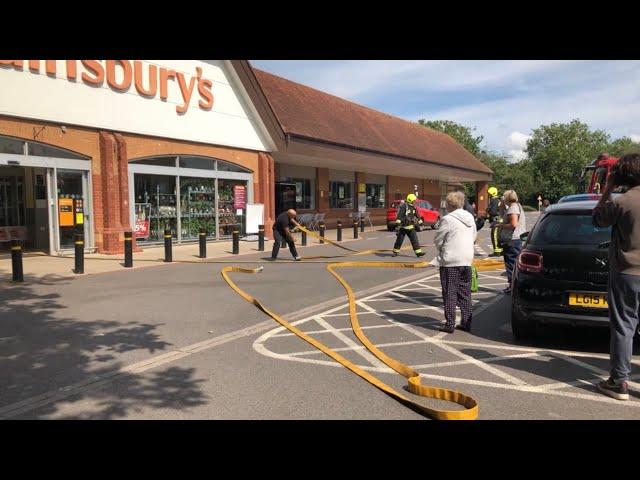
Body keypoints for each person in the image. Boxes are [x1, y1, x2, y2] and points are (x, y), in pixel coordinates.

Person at [592, 152, 640, 401]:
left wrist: (608, 188)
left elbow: (597, 219)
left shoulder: (622, 202)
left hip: (628, 272)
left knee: (624, 326)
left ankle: (619, 381)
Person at [432, 191, 477, 333]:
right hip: (466, 259)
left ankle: (450, 324)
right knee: (465, 294)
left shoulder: (447, 219)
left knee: (450, 293)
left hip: (451, 261)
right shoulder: (469, 217)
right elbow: (474, 235)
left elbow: (438, 239)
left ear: (449, 204)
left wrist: (442, 250)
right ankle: (466, 322)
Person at [499, 190, 526, 294]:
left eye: (504, 197)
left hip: (512, 240)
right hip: (515, 239)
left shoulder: (513, 208)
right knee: (513, 262)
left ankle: (512, 286)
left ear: (507, 198)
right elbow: (503, 216)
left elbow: (513, 224)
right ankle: (513, 285)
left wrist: (500, 225)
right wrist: (501, 206)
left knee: (511, 263)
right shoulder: (516, 206)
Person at [392, 193, 425, 257]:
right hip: (403, 227)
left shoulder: (414, 207)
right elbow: (400, 216)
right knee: (399, 240)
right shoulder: (404, 206)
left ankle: (418, 253)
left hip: (411, 227)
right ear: (411, 200)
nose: (415, 202)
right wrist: (398, 225)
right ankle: (395, 252)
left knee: (415, 240)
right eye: (414, 201)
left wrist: (420, 222)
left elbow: (417, 216)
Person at [486, 186, 503, 256]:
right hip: (498, 221)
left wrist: (488, 210)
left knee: (495, 236)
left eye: (489, 194)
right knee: (498, 236)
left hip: (496, 222)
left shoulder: (494, 201)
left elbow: (493, 212)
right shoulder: (497, 200)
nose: (488, 196)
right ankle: (499, 251)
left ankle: (497, 252)